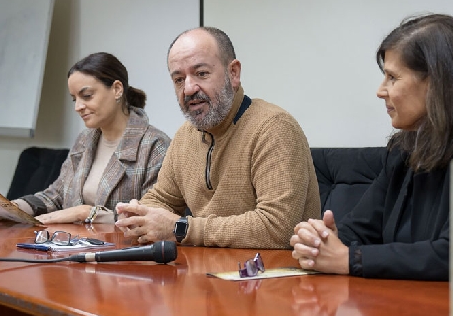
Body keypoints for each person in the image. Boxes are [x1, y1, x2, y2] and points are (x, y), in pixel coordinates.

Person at [290, 13, 453, 280]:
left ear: (435, 84)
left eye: (393, 78)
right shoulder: (403, 148)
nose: (380, 90)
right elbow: (359, 229)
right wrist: (323, 241)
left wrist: (349, 259)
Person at [115, 27, 320, 249]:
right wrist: (140, 216)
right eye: (179, 79)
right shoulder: (185, 135)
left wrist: (182, 229)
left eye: (201, 73)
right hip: (209, 273)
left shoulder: (274, 128)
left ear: (233, 73)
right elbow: (162, 199)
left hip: (275, 277)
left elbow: (279, 228)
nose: (189, 89)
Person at [0, 52, 170, 224]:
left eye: (87, 96)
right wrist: (7, 209)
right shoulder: (85, 140)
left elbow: (151, 219)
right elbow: (55, 196)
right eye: (75, 99)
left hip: (123, 260)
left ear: (117, 89)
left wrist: (86, 213)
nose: (78, 107)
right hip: (72, 250)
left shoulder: (155, 146)